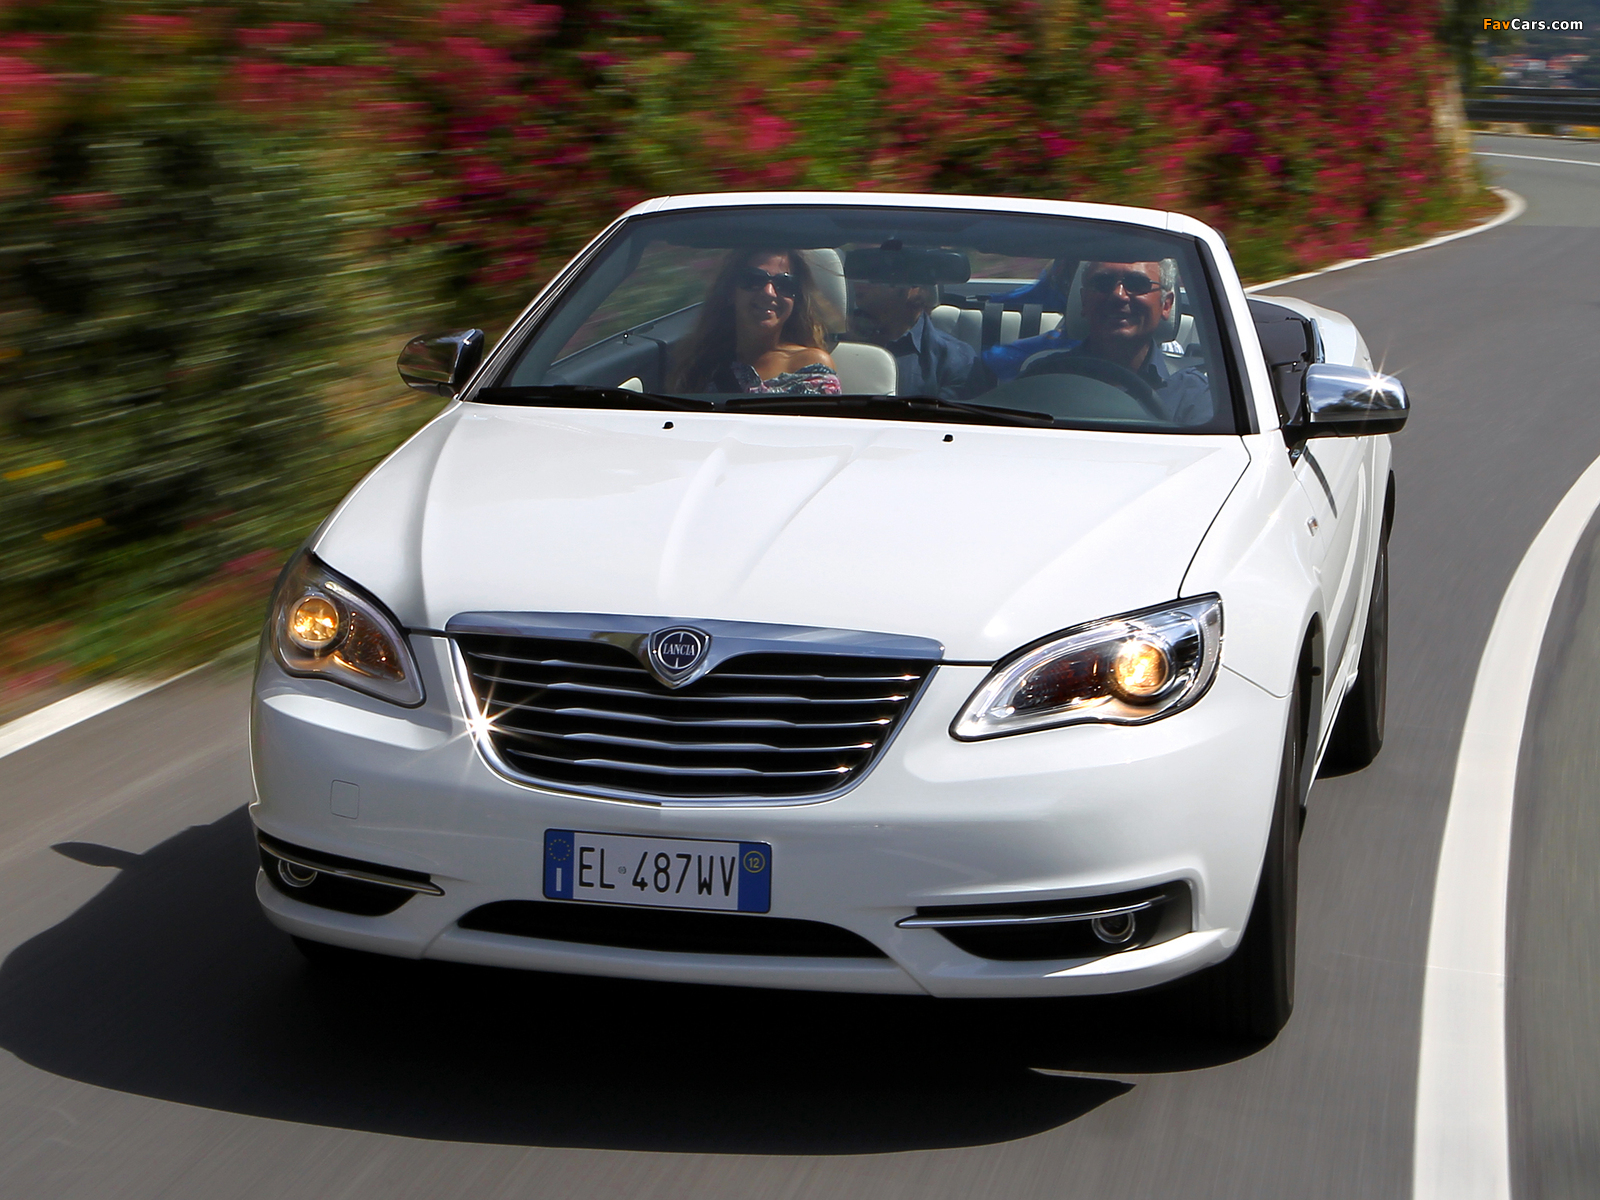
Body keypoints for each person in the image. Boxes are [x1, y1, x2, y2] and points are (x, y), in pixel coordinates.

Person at [983, 259, 1212, 424]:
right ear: (1084, 301)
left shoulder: (1192, 395)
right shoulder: (1042, 378)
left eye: (1137, 284)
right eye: (1103, 282)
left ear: (1166, 305)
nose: (1119, 295)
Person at [672, 250, 840, 395]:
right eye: (753, 279)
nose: (769, 292)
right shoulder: (700, 366)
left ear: (796, 299)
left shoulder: (811, 366)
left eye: (785, 283)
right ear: (730, 291)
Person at [847, 277, 981, 400]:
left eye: (877, 273)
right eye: (859, 271)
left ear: (915, 288)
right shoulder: (836, 342)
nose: (859, 281)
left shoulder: (955, 361)